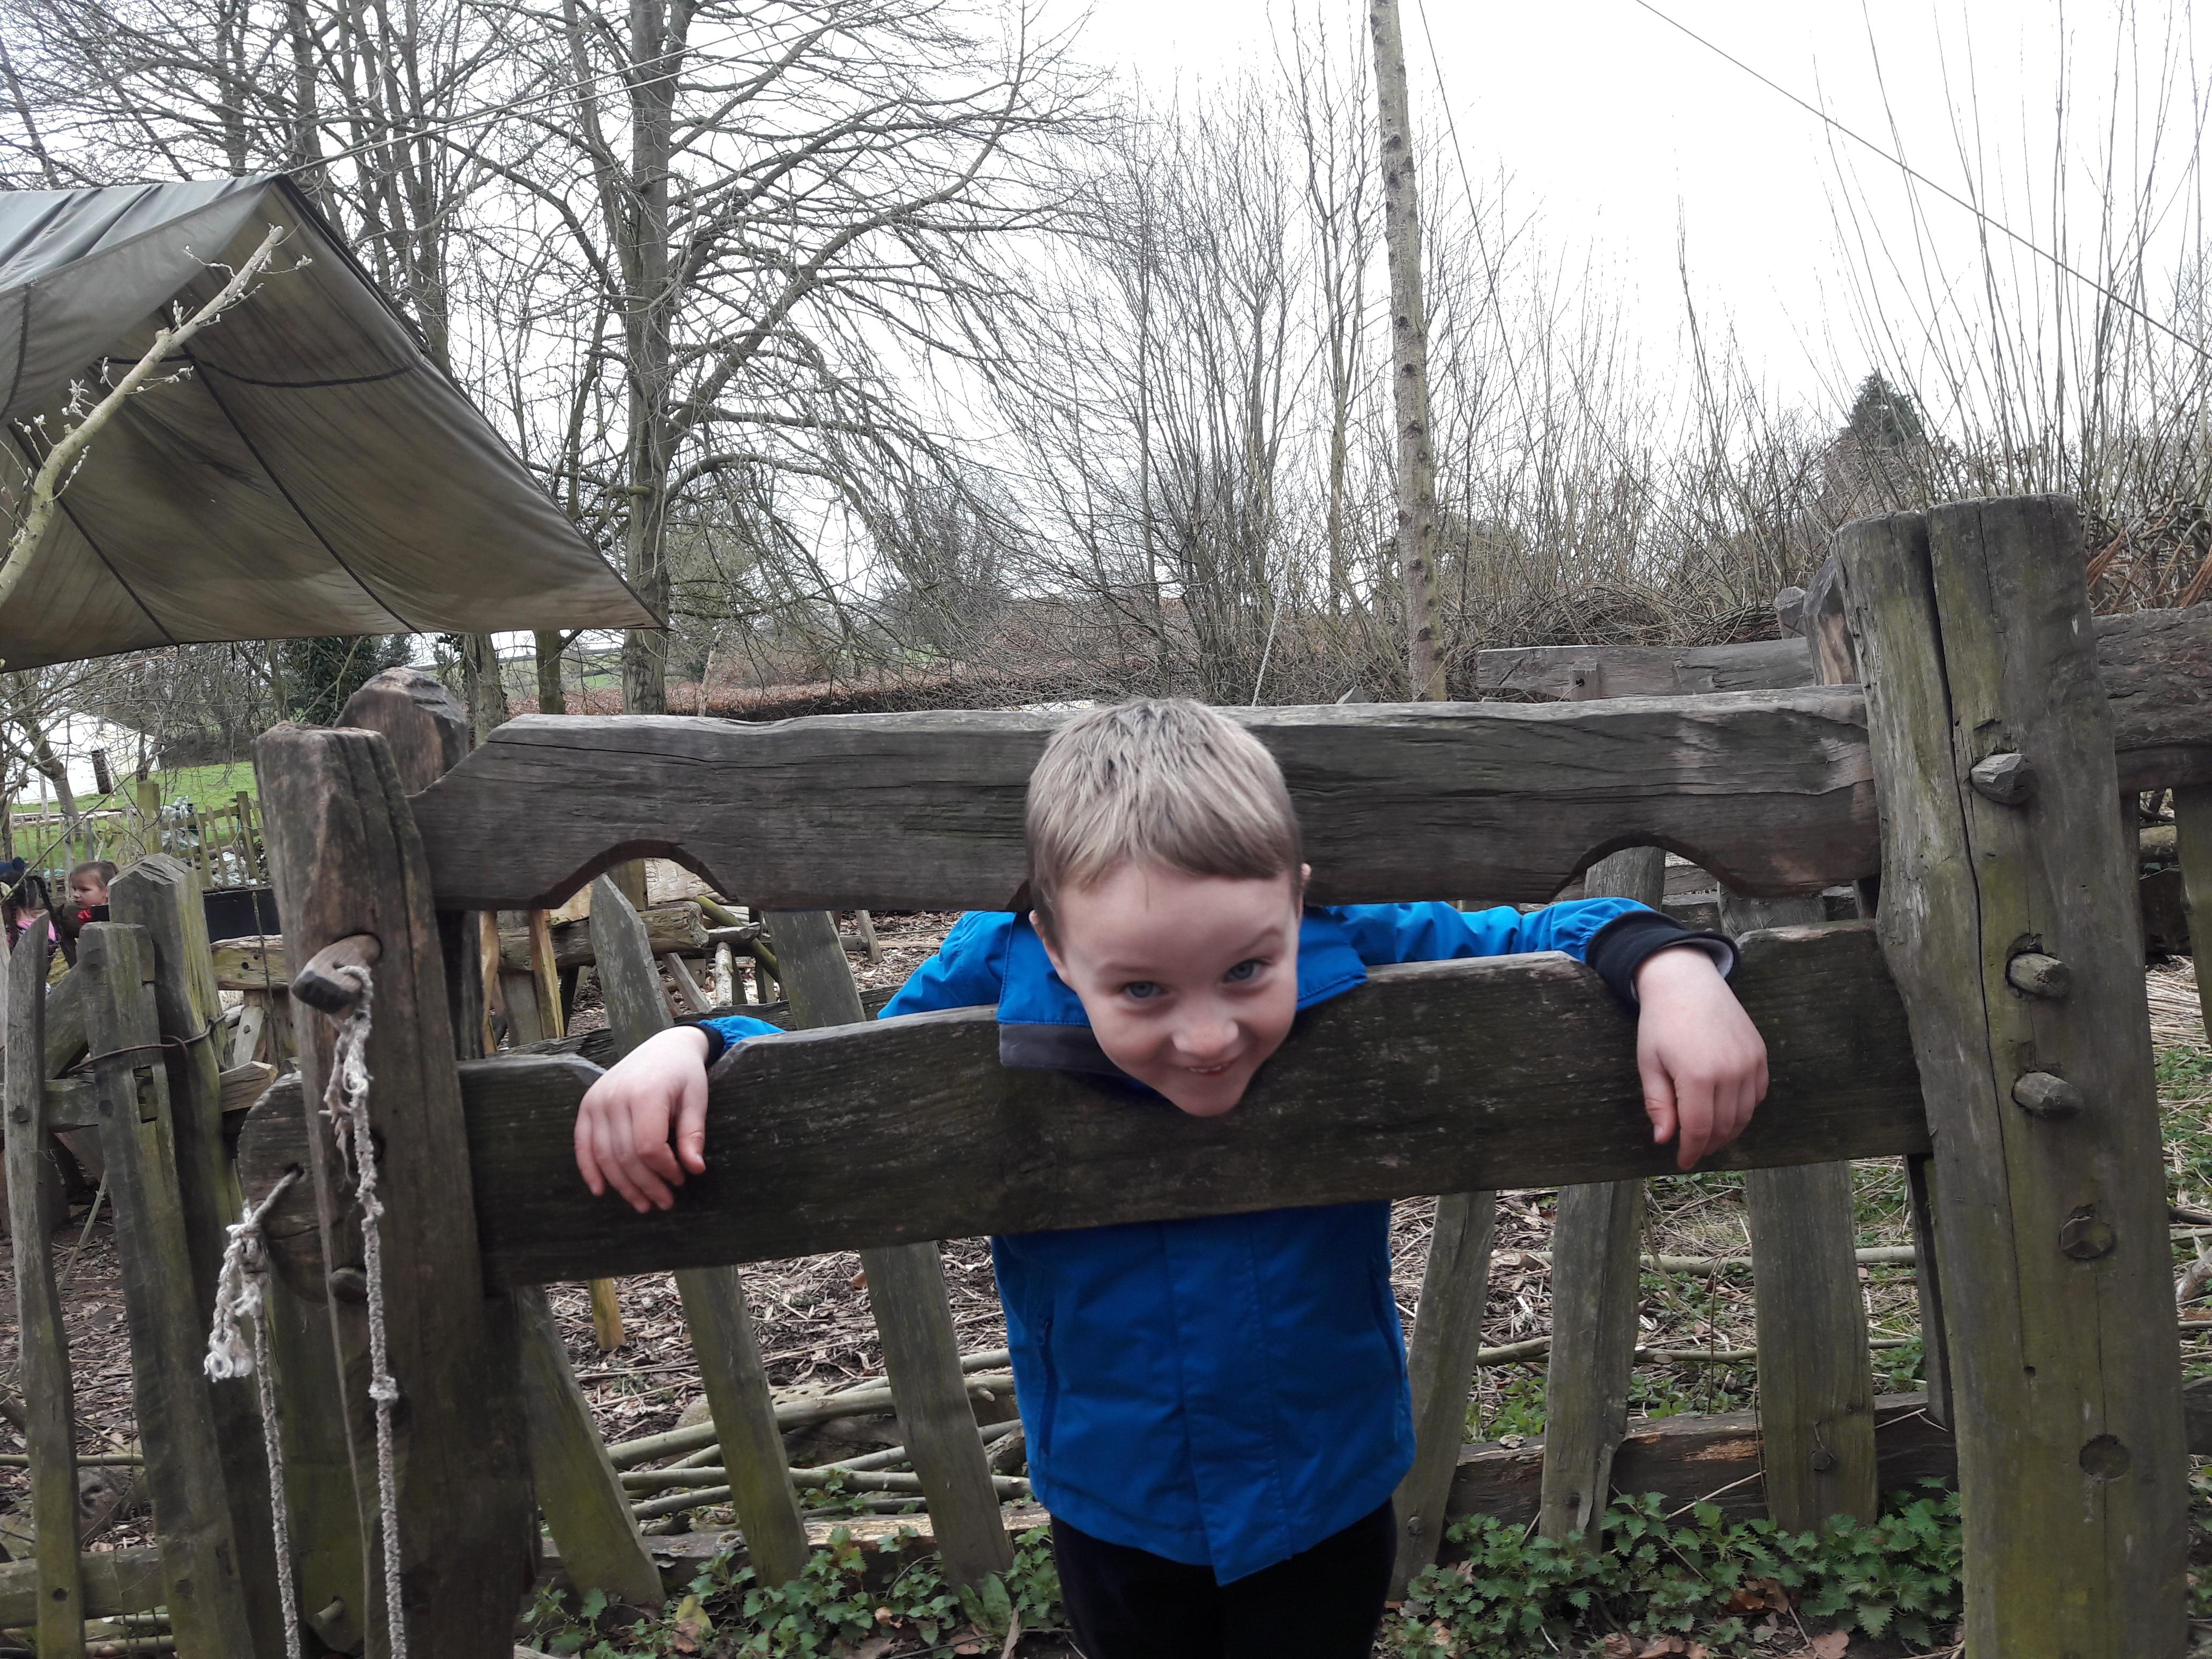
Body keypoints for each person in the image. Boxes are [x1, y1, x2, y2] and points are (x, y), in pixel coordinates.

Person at [572, 699, 1768, 1659]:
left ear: (1296, 901)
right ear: (1055, 947)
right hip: (1116, 1495)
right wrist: (701, 1045)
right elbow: (844, 1078)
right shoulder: (994, 972)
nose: (1205, 1036)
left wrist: (1664, 965)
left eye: (1248, 971)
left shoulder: (1351, 932)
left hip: (1328, 1481)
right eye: (1141, 989)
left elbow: (1533, 938)